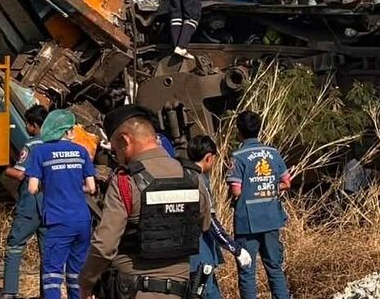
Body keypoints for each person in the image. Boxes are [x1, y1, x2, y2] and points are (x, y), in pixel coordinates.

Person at [79, 105, 211, 299]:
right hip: (180, 291)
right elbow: (203, 224)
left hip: (132, 291)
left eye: (115, 150)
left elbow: (104, 245)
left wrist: (86, 282)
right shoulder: (191, 176)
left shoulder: (126, 181)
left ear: (125, 140)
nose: (118, 157)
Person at [26, 109, 97, 299]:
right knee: (76, 273)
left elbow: (32, 188)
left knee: (52, 274)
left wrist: (50, 184)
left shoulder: (40, 151)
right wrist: (73, 185)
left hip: (58, 220)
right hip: (82, 220)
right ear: (67, 132)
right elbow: (91, 187)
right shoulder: (81, 151)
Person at [226, 111, 291, 299]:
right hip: (271, 218)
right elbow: (286, 182)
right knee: (275, 267)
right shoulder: (273, 153)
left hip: (247, 222)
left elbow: (236, 190)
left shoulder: (238, 157)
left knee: (247, 271)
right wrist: (270, 187)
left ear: (239, 131)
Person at [187, 135, 252, 299]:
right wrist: (236, 249)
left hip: (189, 256)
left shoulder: (183, 176)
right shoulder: (199, 181)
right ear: (208, 157)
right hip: (201, 255)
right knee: (206, 293)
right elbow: (211, 224)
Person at [1, 104, 48, 299]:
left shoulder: (32, 146)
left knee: (14, 247)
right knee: (48, 253)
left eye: (28, 124)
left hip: (30, 204)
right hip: (50, 204)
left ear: (34, 126)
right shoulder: (54, 145)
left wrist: (2, 168)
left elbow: (20, 174)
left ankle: (10, 292)